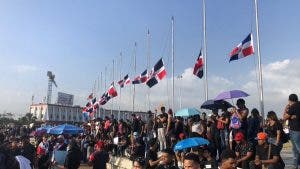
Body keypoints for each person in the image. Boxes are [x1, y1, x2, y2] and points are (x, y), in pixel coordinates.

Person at [283, 93, 300, 169]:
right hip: (297, 129)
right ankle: (296, 165)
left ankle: (296, 165)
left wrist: (286, 109)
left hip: (295, 130)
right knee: (296, 149)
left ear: (290, 100)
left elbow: (284, 117)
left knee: (296, 148)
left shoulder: (293, 106)